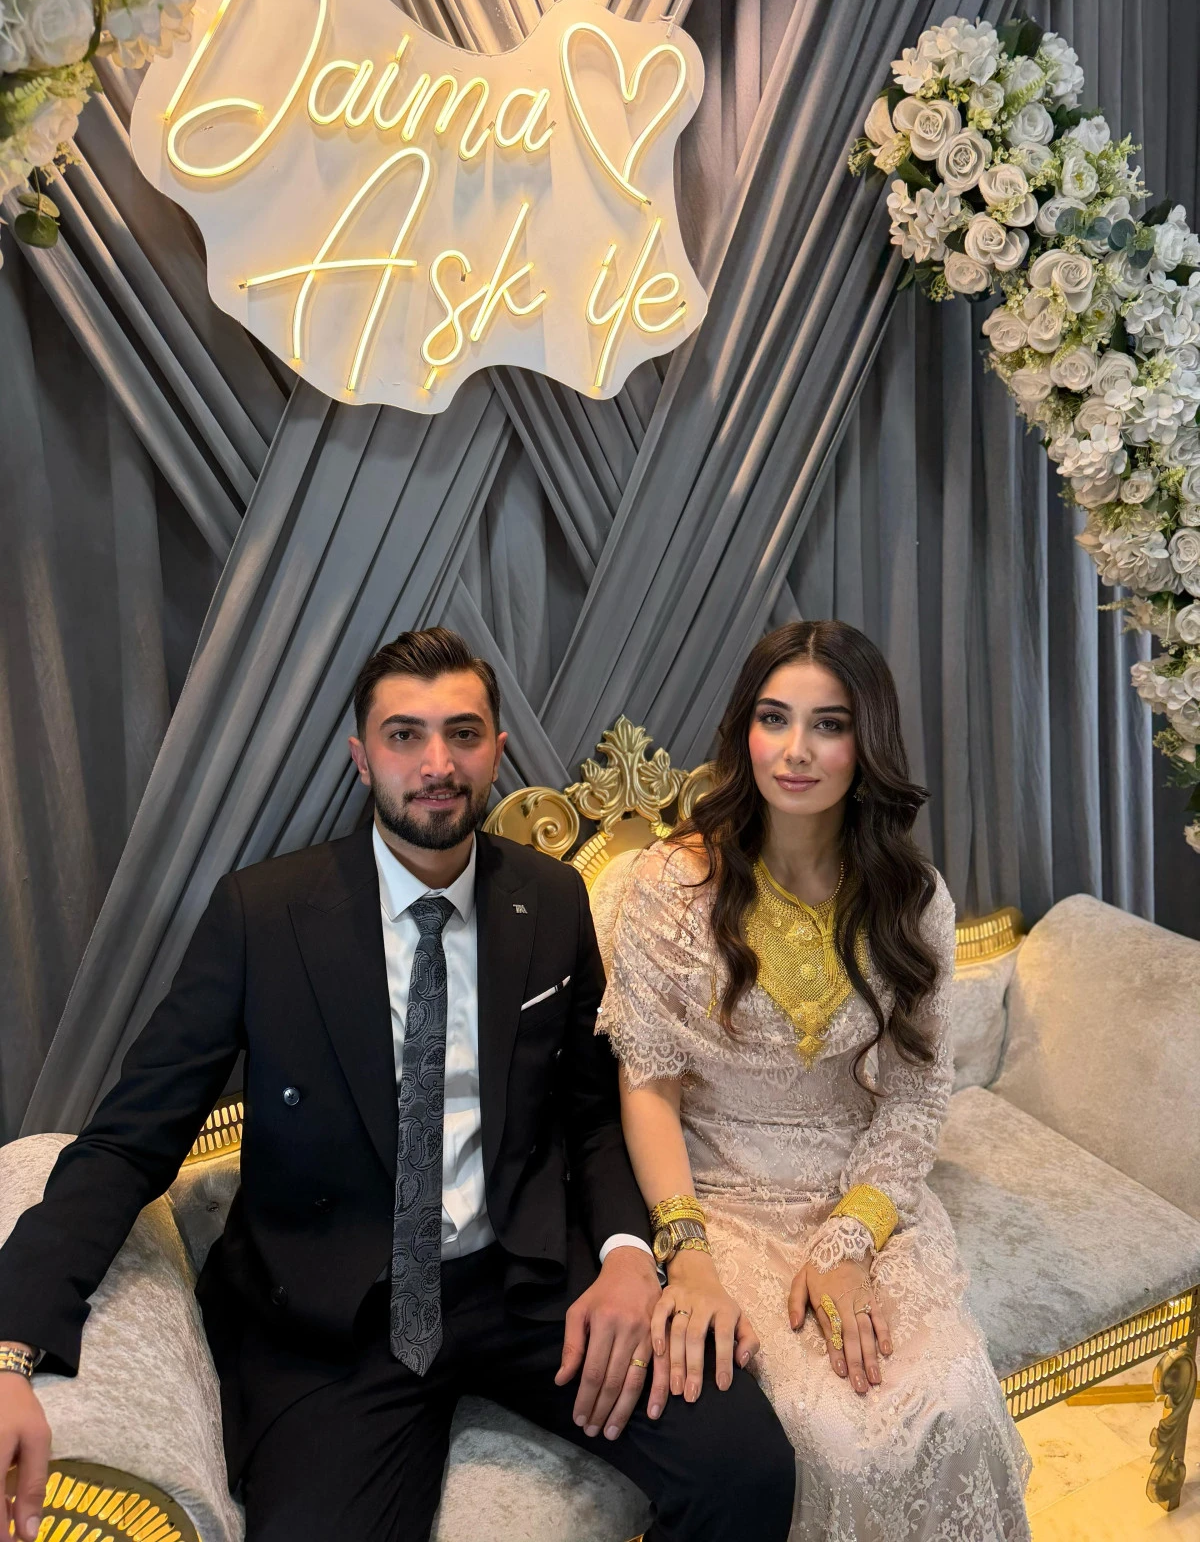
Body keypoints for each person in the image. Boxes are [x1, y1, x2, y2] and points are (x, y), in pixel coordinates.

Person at [0, 628, 795, 1542]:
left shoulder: (550, 900)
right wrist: (11, 1346)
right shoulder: (263, 914)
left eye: (463, 733)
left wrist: (625, 1255)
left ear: (498, 749)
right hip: (335, 1324)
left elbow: (591, 1114)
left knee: (747, 1469)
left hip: (526, 1287)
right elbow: (128, 1141)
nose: (437, 764)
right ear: (361, 756)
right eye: (404, 735)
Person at [597, 620, 1032, 1542]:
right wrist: (688, 1251)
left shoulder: (912, 899)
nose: (795, 750)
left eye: (828, 725)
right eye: (774, 718)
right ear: (743, 730)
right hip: (718, 1198)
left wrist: (850, 1240)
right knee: (832, 1437)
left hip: (860, 1194)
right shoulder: (671, 887)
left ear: (867, 743)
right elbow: (649, 1086)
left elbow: (915, 1095)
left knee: (952, 1403)